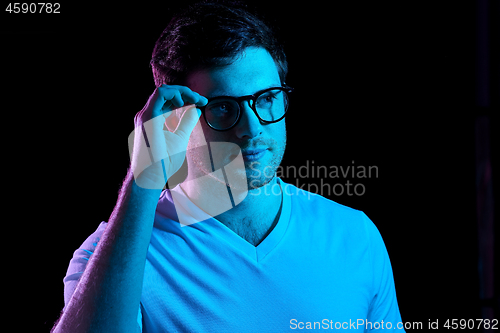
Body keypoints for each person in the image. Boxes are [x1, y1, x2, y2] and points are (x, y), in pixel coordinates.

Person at [52, 2, 405, 332]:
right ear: (175, 118)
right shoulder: (110, 255)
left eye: (266, 99)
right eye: (223, 107)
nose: (252, 128)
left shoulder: (354, 236)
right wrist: (143, 177)